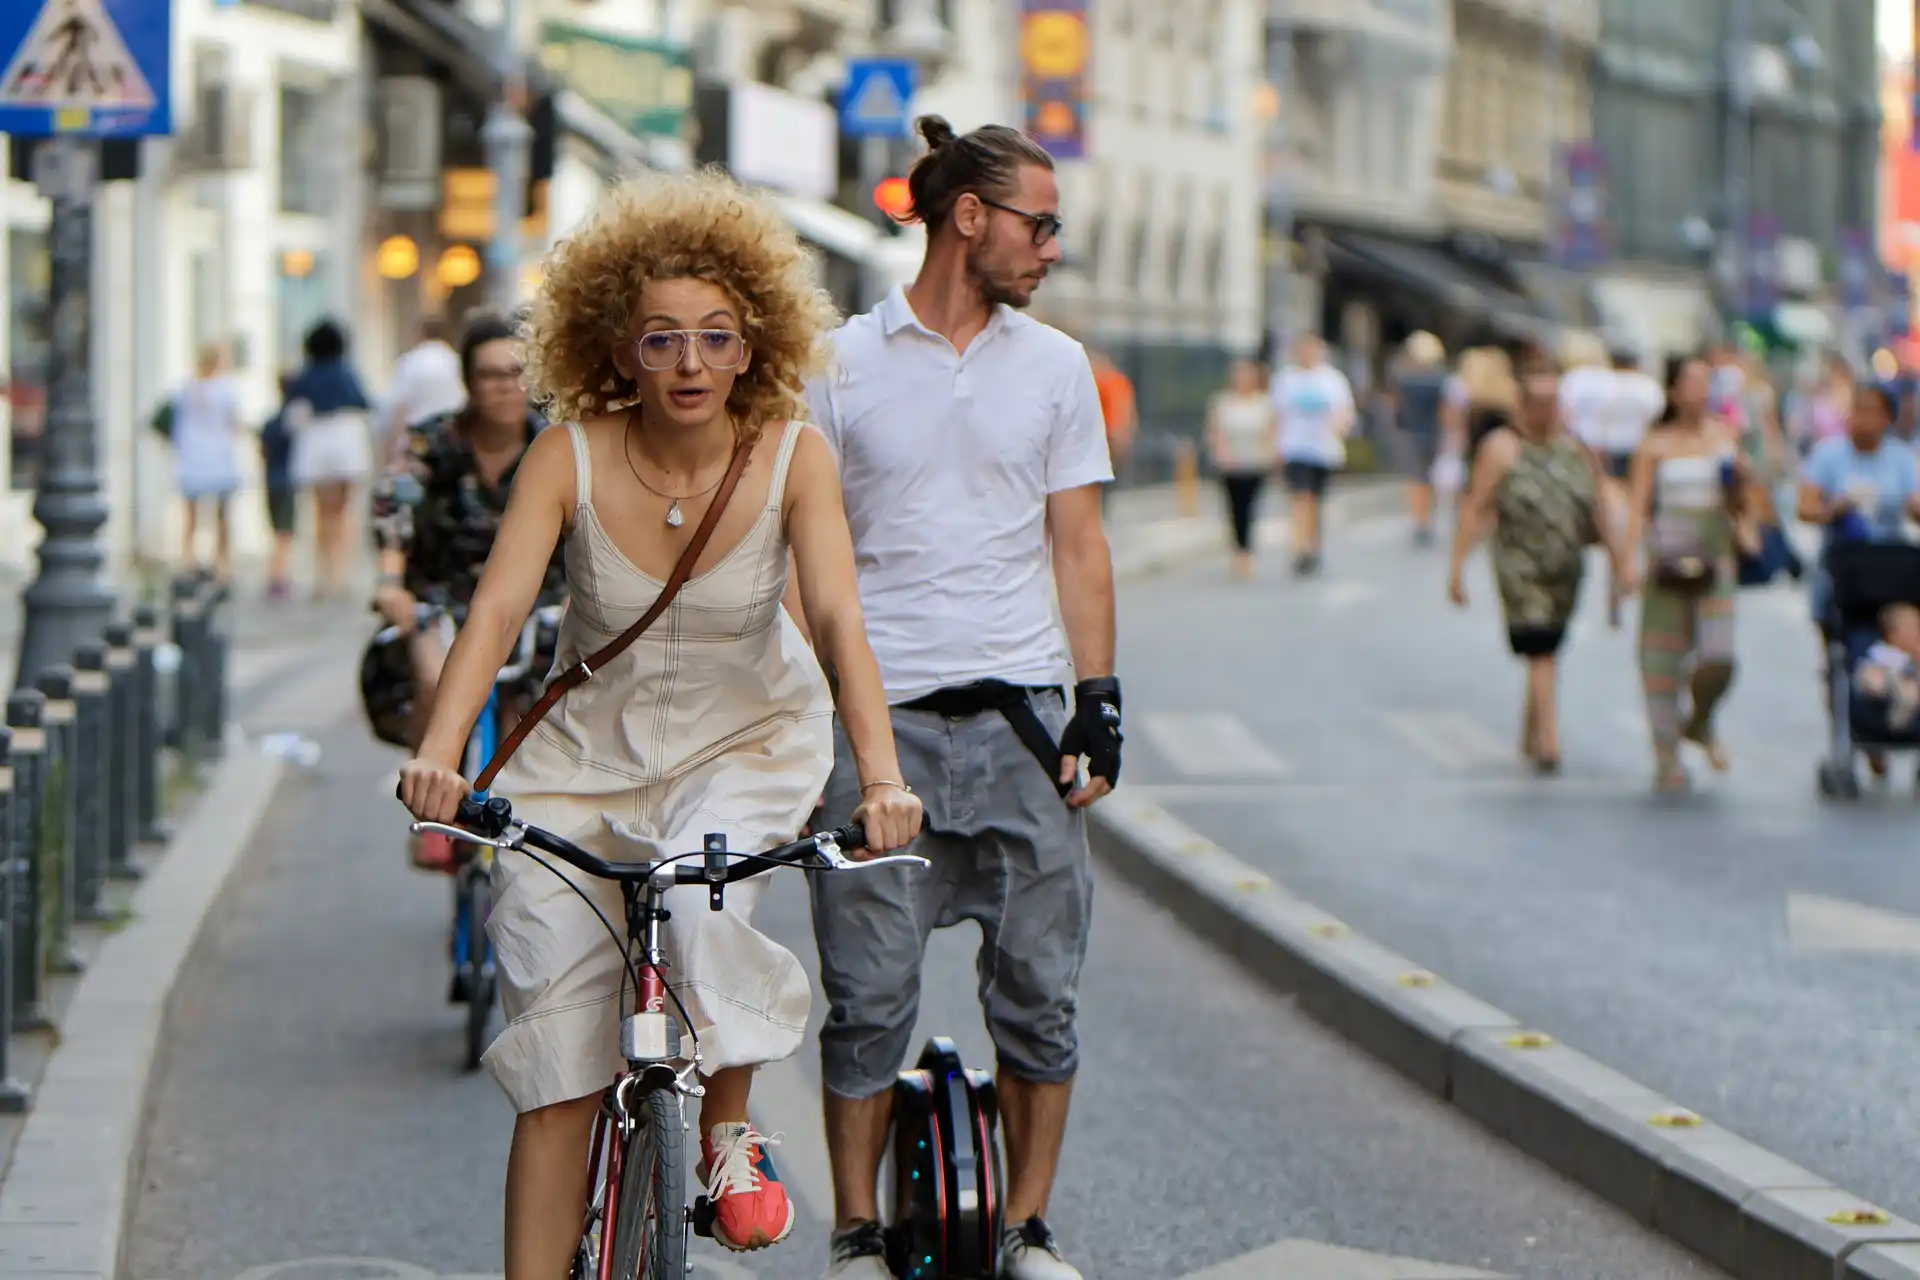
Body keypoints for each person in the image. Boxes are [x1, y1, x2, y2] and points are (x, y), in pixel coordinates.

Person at [395, 169, 923, 1273]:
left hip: (747, 744)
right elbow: (495, 611)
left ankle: (726, 1125)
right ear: (616, 348)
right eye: (662, 340)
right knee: (559, 1064)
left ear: (752, 344)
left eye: (716, 338)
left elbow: (835, 617)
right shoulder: (568, 453)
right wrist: (439, 754)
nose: (690, 364)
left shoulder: (792, 456)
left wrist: (880, 776)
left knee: (696, 896)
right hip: (584, 761)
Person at [800, 114, 1118, 1280]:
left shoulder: (1056, 365)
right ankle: (855, 1232)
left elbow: (1078, 545)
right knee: (868, 994)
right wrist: (825, 712)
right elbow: (807, 562)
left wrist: (1101, 700)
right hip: (882, 732)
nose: (1051, 247)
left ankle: (1030, 1228)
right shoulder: (838, 363)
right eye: (1039, 224)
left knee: (1041, 991)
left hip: (1023, 723)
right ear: (968, 217)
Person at [371, 313, 564, 872]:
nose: (503, 386)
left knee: (534, 700)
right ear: (467, 381)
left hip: (538, 599)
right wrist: (390, 582)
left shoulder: (553, 442)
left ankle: (514, 817)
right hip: (444, 594)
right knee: (435, 672)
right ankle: (431, 799)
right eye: (488, 374)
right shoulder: (431, 442)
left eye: (515, 372)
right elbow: (394, 510)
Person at [1449, 363, 1621, 773]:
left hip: (1566, 566)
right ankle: (1548, 738)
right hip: (1519, 564)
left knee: (1546, 646)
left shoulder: (1577, 448)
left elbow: (1599, 508)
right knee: (1539, 642)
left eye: (1552, 402)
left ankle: (1532, 725)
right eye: (1538, 402)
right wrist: (1456, 568)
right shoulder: (1502, 448)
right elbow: (1476, 507)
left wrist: (1620, 565)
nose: (1546, 411)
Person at [1625, 355, 1752, 793]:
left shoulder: (1725, 437)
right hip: (1667, 560)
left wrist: (1741, 486)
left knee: (1719, 656)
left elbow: (1741, 504)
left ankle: (1699, 720)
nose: (1699, 390)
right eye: (1691, 382)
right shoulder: (1655, 444)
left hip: (1714, 557)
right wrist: (1626, 562)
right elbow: (1639, 507)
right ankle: (1666, 758)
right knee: (1660, 660)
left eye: (1705, 381)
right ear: (1674, 390)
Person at [1795, 384, 1920, 781]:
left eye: (1871, 411)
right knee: (1840, 658)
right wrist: (1836, 507)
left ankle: (1895, 722)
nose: (1861, 419)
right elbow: (1805, 507)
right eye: (1856, 410)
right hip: (1844, 575)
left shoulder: (1901, 458)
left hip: (1892, 576)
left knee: (1904, 649)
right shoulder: (1828, 455)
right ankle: (1854, 734)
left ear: (1887, 417)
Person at [283, 319, 374, 599]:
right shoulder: (346, 373)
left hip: (316, 442)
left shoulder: (306, 374)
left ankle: (323, 575)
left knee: (321, 512)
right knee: (344, 511)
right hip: (346, 439)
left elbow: (294, 405)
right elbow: (364, 402)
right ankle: (341, 572)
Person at [1271, 332, 1355, 576]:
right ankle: (1300, 549)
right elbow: (1276, 415)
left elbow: (1344, 412)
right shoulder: (1286, 379)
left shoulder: (1332, 380)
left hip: (1323, 450)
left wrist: (1338, 426)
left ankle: (1313, 545)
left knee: (1315, 502)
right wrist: (1274, 449)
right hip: (1295, 448)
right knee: (1301, 497)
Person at [170, 343, 245, 581]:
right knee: (221, 513)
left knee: (191, 512)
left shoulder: (187, 388)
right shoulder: (224, 389)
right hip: (217, 454)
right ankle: (221, 559)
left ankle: (188, 557)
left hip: (193, 454)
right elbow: (234, 422)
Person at [1206, 357, 1276, 578]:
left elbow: (1271, 431)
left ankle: (1246, 552)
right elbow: (1215, 430)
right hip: (1231, 464)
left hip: (1256, 462)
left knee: (1250, 508)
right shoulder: (1223, 402)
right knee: (1234, 509)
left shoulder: (1264, 402)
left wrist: (1271, 455)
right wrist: (1222, 454)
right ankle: (1238, 550)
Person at [1390, 330, 1451, 546]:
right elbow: (1445, 411)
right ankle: (1426, 518)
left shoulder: (1404, 378)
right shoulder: (1441, 379)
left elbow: (1397, 407)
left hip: (1412, 432)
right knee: (1430, 478)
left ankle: (1419, 520)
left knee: (1416, 478)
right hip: (1433, 432)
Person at [383, 315, 468, 463]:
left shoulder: (410, 362)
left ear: (421, 333)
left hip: (418, 438)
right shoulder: (455, 361)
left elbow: (400, 406)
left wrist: (392, 447)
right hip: (452, 435)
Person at [259, 371, 299, 601]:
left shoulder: (271, 421)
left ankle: (276, 575)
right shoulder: (292, 421)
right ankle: (278, 577)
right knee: (284, 533)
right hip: (287, 480)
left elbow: (262, 450)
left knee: (277, 532)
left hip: (271, 479)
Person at [1089, 347, 1136, 506]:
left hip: (1105, 438)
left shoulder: (1109, 381)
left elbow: (1121, 412)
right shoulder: (1110, 381)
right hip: (1103, 438)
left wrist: (1120, 435)